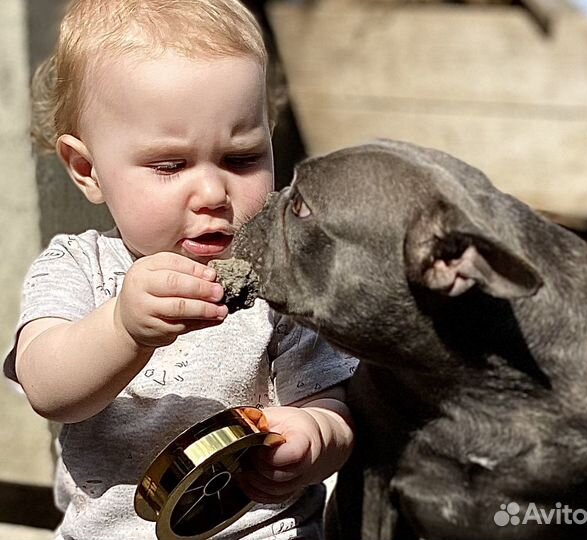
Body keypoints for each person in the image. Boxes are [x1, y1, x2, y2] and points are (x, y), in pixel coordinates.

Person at [3, 1, 358, 538]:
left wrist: (315, 435)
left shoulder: (284, 279)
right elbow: (48, 388)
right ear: (87, 169)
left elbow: (333, 401)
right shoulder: (78, 267)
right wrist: (122, 329)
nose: (214, 193)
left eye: (241, 159)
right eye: (170, 166)